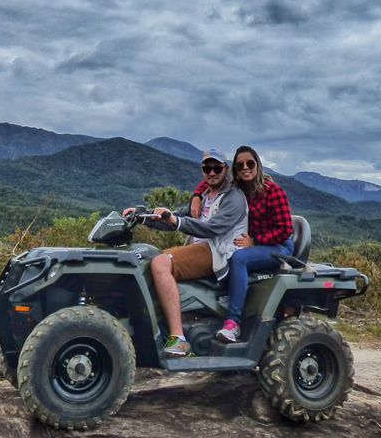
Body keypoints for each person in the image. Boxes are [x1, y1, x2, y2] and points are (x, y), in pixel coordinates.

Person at [124, 149, 248, 357]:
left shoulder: (234, 198)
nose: (212, 172)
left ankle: (178, 338)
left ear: (225, 169)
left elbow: (212, 229)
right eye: (207, 168)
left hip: (219, 251)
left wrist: (176, 220)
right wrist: (143, 216)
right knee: (148, 259)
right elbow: (175, 219)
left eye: (217, 168)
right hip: (201, 248)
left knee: (161, 263)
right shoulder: (205, 196)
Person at [191, 145, 294, 342]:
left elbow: (285, 230)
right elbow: (213, 181)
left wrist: (256, 241)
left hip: (279, 245)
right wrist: (197, 196)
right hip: (251, 242)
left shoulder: (273, 192)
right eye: (240, 165)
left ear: (258, 165)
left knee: (239, 259)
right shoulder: (239, 189)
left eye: (250, 164)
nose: (245, 168)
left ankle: (233, 323)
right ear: (235, 170)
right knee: (221, 253)